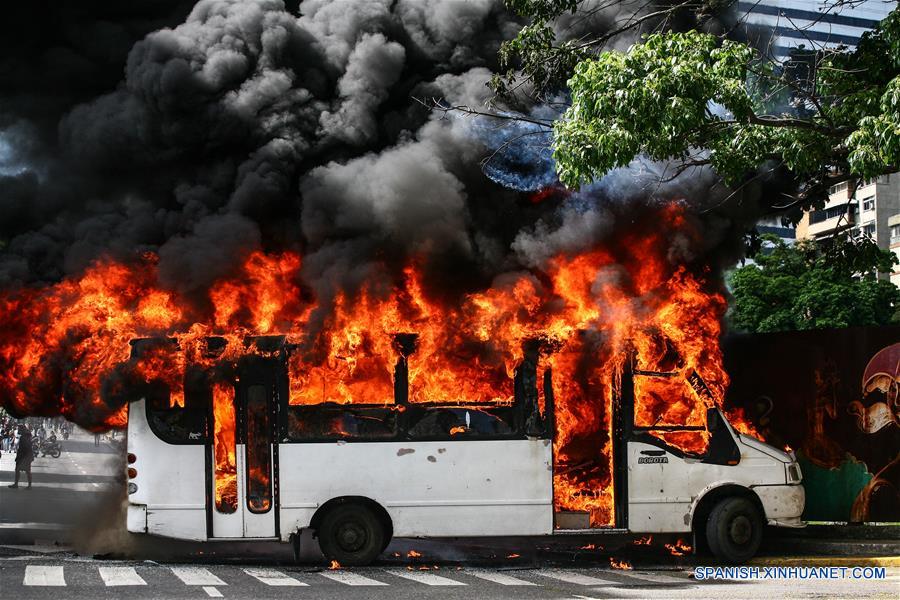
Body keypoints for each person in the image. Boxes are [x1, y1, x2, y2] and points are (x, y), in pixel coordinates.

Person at [8, 425, 34, 489]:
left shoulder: (24, 437)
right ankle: (25, 485)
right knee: (24, 470)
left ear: (22, 429)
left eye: (19, 429)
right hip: (26, 456)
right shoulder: (26, 436)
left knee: (24, 470)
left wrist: (20, 457)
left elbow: (25, 448)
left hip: (24, 457)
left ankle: (20, 484)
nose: (18, 430)